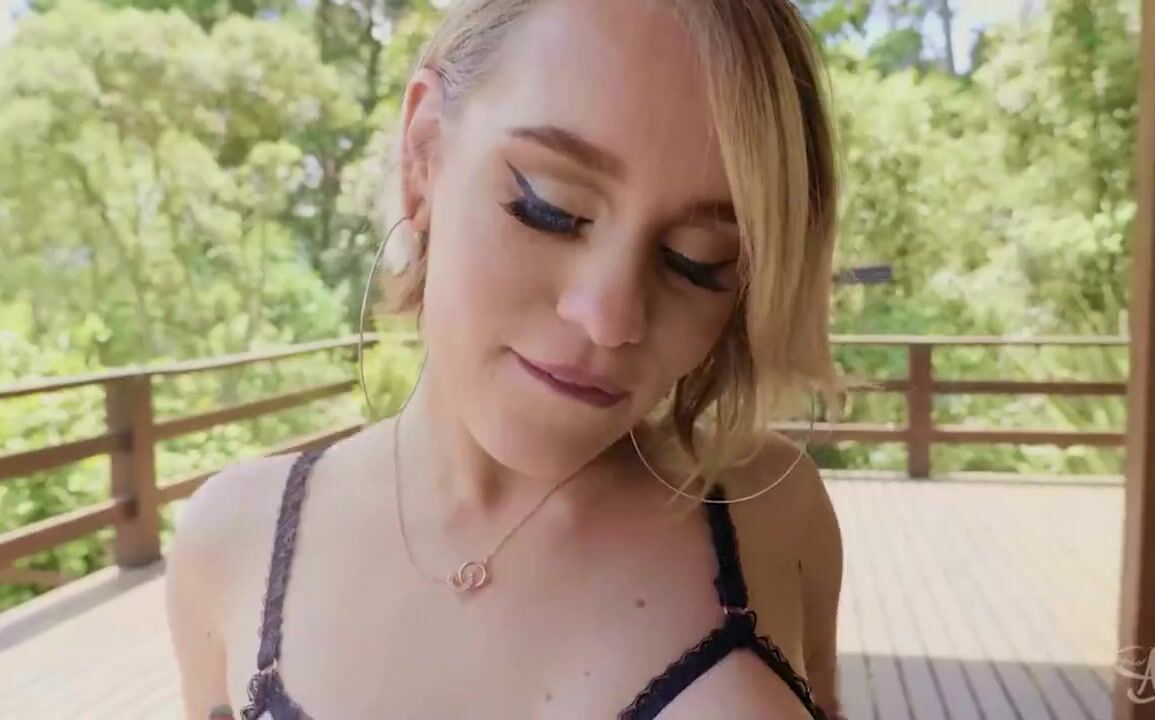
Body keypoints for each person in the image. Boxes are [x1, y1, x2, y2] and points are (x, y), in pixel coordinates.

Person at [166, 0, 847, 717]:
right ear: (425, 156)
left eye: (697, 260)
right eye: (549, 208)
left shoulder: (773, 510)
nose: (609, 317)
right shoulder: (235, 541)